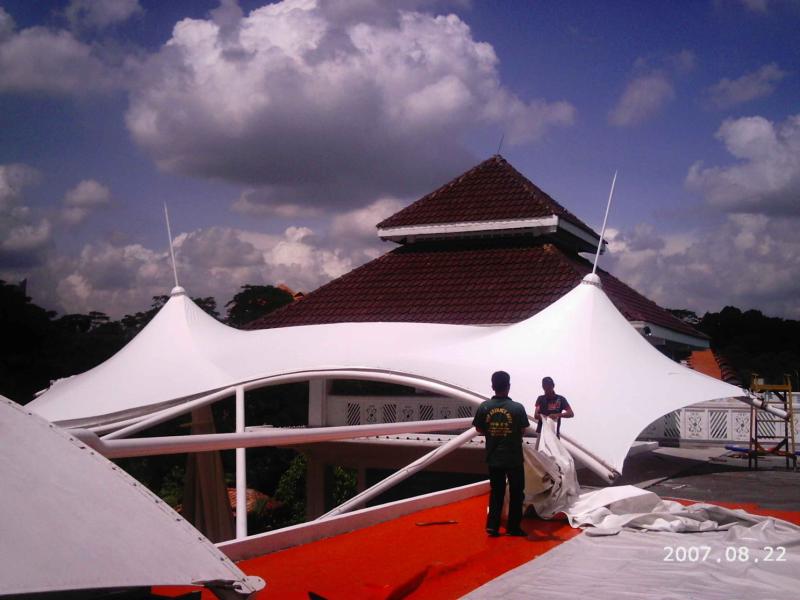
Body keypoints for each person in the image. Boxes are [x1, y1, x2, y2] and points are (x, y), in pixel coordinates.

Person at [472, 370, 530, 537]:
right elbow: (523, 430)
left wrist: (493, 433)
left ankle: (492, 526)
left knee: (496, 492)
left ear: (493, 386)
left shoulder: (484, 407)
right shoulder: (517, 408)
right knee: (517, 493)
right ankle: (513, 527)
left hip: (494, 457)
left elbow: (479, 428)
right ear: (508, 386)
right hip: (513, 458)